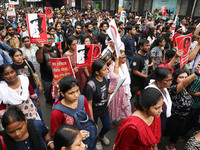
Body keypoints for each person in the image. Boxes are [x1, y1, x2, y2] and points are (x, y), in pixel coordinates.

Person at [50, 76, 96, 150]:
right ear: (62, 94)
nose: (76, 95)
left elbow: (88, 116)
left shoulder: (82, 99)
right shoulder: (57, 112)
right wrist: (77, 136)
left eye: (77, 90)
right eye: (71, 93)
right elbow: (56, 135)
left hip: (87, 136)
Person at [165, 67, 200, 150]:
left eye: (186, 77)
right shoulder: (174, 89)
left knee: (176, 133)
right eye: (181, 77)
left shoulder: (187, 88)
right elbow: (184, 84)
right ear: (175, 79)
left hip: (183, 118)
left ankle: (172, 144)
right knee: (169, 133)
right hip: (174, 118)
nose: (184, 79)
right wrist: (196, 73)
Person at [84, 59, 112, 150]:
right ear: (97, 72)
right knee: (94, 129)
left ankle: (101, 136)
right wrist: (92, 120)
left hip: (104, 109)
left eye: (106, 68)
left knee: (107, 126)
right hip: (94, 111)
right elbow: (89, 104)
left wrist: (111, 91)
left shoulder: (105, 78)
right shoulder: (90, 85)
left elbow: (104, 89)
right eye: (104, 69)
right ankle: (97, 140)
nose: (107, 70)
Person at [145, 67, 172, 134]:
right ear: (158, 81)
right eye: (167, 81)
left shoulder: (162, 87)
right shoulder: (151, 92)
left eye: (171, 80)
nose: (170, 83)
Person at [108, 50, 132, 126]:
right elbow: (114, 77)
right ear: (117, 57)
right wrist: (116, 61)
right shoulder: (112, 66)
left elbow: (127, 76)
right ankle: (111, 121)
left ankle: (129, 121)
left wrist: (128, 86)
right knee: (114, 106)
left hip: (124, 89)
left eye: (125, 57)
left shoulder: (124, 65)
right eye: (123, 58)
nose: (125, 59)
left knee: (127, 105)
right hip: (115, 90)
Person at [36, 33, 61, 105]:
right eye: (47, 39)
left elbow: (59, 61)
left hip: (56, 76)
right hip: (46, 78)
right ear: (43, 40)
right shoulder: (40, 51)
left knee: (57, 91)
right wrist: (40, 49)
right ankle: (49, 104)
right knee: (48, 92)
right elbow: (40, 61)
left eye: (51, 39)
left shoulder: (56, 49)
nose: (49, 40)